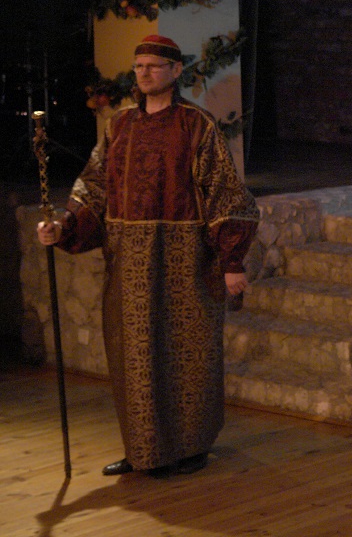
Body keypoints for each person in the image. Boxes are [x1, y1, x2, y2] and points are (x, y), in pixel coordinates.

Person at [37, 34, 259, 477]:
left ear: (175, 71)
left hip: (184, 258)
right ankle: (143, 449)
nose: (144, 73)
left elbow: (224, 191)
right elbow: (95, 186)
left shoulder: (196, 125)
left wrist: (231, 260)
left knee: (186, 351)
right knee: (134, 354)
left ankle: (191, 447)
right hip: (129, 260)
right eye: (139, 66)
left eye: (154, 66)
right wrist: (64, 226)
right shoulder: (119, 125)